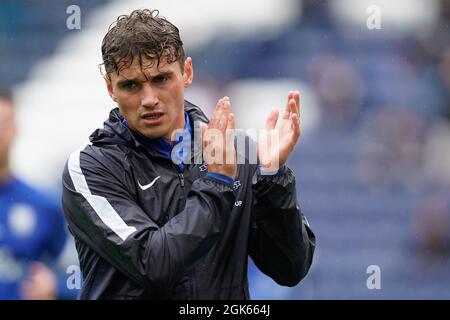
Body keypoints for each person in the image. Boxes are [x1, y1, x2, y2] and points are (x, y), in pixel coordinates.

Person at [61, 9, 315, 299]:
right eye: (131, 85)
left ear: (187, 72)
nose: (149, 99)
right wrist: (218, 183)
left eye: (161, 79)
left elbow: (290, 268)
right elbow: (153, 264)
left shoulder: (238, 154)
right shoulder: (91, 167)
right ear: (110, 88)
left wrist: (272, 177)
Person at [0, 88, 68, 299]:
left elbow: (80, 274)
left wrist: (56, 286)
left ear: (15, 129)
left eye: (3, 123)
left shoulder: (45, 205)